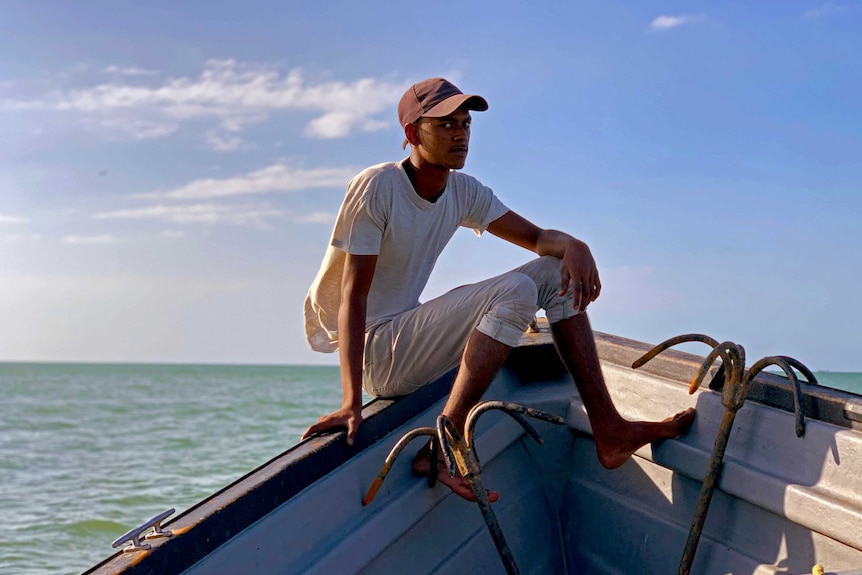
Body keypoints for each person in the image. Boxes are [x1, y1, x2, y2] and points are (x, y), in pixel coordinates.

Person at [302, 77, 695, 502]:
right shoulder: (378, 187)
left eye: (465, 124)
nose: (460, 134)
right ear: (413, 134)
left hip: (408, 335)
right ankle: (442, 445)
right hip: (376, 352)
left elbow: (540, 239)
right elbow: (352, 297)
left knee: (549, 270)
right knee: (516, 290)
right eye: (446, 125)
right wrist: (350, 402)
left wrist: (576, 247)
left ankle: (609, 428)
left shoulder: (463, 191)